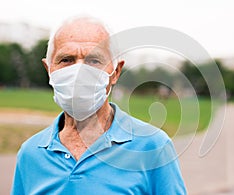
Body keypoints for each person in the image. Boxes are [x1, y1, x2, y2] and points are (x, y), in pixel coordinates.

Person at [11, 16, 186, 194]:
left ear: (116, 72)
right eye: (67, 60)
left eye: (94, 60)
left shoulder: (153, 147)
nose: (79, 71)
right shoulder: (30, 154)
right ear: (49, 69)